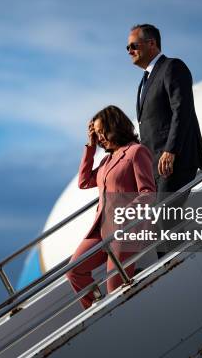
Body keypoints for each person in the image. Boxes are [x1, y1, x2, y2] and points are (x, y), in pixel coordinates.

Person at [66, 105, 156, 310]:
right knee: (74, 270)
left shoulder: (136, 152)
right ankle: (96, 308)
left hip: (126, 229)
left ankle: (110, 313)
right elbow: (84, 181)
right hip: (101, 228)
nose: (99, 138)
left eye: (101, 132)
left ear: (114, 126)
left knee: (115, 287)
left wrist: (125, 214)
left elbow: (148, 192)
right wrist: (90, 147)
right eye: (96, 134)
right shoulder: (106, 160)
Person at [128, 24, 202, 200]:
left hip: (174, 161)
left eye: (134, 45)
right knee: (160, 223)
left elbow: (182, 110)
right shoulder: (143, 82)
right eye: (128, 47)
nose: (129, 51)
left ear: (151, 43)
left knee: (165, 218)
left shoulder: (172, 67)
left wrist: (171, 150)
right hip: (155, 166)